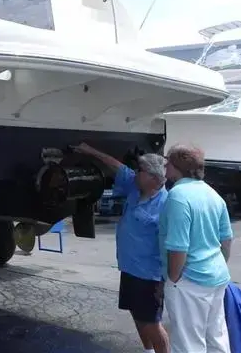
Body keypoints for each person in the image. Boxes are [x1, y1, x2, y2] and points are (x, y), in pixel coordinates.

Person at [73, 143, 170, 353]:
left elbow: (172, 244)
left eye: (140, 171)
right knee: (136, 313)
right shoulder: (135, 187)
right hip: (129, 268)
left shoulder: (167, 205)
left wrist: (165, 279)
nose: (135, 173)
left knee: (152, 321)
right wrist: (90, 150)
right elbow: (116, 166)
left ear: (154, 178)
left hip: (150, 275)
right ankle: (148, 351)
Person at [160, 144, 233, 353]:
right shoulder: (213, 194)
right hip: (217, 276)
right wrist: (216, 265)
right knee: (216, 338)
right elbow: (226, 239)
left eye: (168, 163)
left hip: (189, 281)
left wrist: (174, 279)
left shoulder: (178, 197)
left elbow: (178, 247)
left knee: (187, 344)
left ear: (176, 167)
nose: (165, 168)